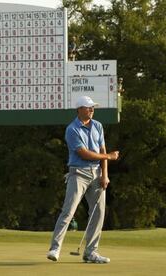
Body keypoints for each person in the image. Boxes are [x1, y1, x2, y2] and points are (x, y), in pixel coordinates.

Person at [47, 96, 119, 264]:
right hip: (78, 173)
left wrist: (105, 174)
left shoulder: (98, 126)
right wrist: (108, 156)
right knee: (68, 211)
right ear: (79, 109)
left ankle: (91, 252)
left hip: (97, 173)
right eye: (88, 107)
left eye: (93, 107)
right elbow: (84, 153)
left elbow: (102, 149)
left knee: (98, 212)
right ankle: (55, 248)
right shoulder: (72, 129)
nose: (92, 110)